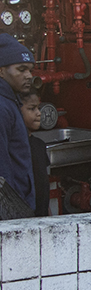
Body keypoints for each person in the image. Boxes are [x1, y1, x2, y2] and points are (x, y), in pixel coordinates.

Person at [0, 33, 35, 211]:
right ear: (1, 71)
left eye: (30, 70)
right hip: (12, 209)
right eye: (21, 70)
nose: (28, 76)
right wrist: (12, 211)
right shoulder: (2, 107)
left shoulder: (11, 101)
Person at [19, 90, 49, 216]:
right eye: (32, 109)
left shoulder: (39, 145)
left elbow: (44, 183)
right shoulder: (15, 147)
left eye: (38, 108)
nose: (38, 113)